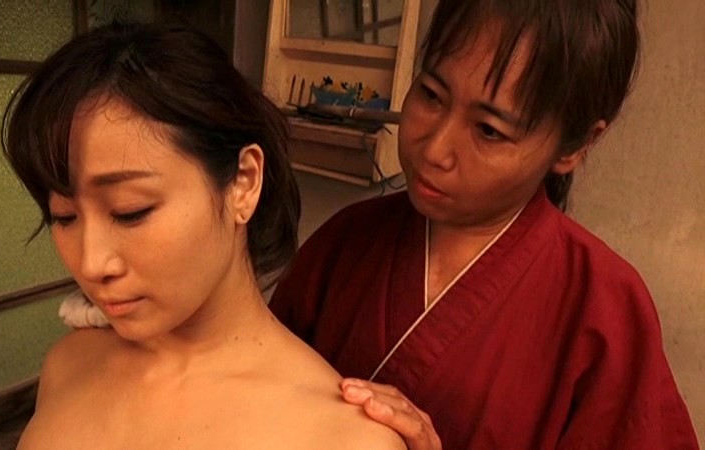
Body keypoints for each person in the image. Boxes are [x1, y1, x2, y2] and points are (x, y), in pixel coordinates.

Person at [269, 0, 700, 448]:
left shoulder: (604, 308)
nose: (435, 149)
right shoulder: (345, 242)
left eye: (489, 130)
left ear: (575, 144)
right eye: (431, 95)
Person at [1, 22, 405, 450]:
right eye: (64, 218)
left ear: (244, 182)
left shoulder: (344, 438)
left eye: (130, 211)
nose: (91, 264)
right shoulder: (68, 364)